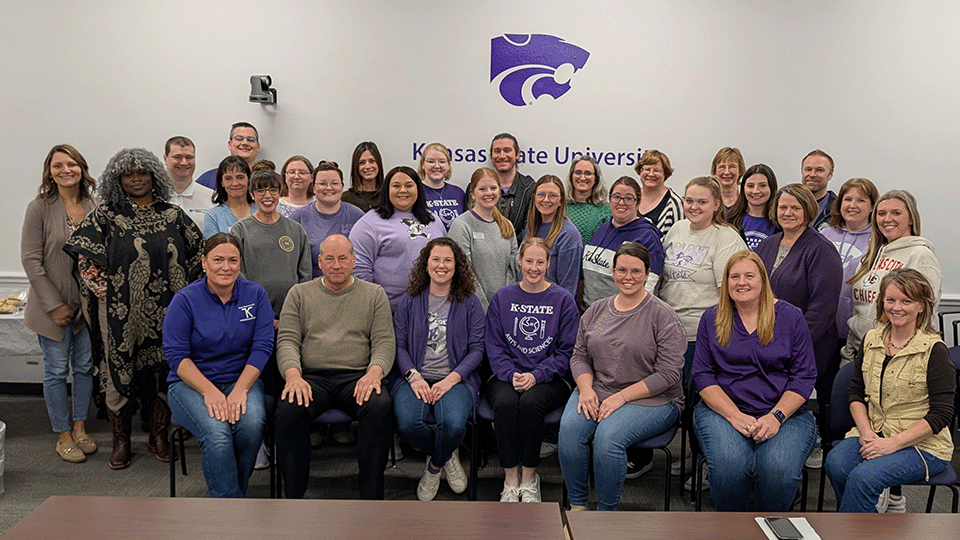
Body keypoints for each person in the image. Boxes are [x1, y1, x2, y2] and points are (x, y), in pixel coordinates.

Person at [64, 148, 203, 470]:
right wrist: (111, 296)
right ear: (118, 179)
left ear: (155, 175)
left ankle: (158, 435)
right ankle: (121, 441)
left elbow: (199, 256)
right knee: (118, 373)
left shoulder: (173, 215)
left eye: (143, 172)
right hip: (118, 313)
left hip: (169, 312)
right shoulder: (105, 216)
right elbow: (86, 261)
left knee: (165, 371)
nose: (136, 178)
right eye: (128, 173)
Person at [559, 243, 685, 511]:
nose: (628, 277)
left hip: (654, 400)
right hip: (599, 390)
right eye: (622, 270)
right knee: (569, 432)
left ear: (648, 273)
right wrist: (585, 388)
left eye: (636, 271)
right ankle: (578, 507)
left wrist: (621, 398)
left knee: (608, 438)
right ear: (613, 272)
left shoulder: (663, 316)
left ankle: (606, 514)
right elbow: (579, 356)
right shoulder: (596, 310)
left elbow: (669, 374)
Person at [692, 250, 818, 511]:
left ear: (763, 280)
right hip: (723, 412)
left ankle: (770, 529)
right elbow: (703, 375)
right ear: (726, 283)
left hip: (785, 414)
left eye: (750, 275)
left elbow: (804, 376)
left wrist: (776, 417)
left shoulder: (791, 317)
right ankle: (731, 531)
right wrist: (734, 416)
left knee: (778, 471)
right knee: (730, 468)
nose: (742, 282)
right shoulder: (711, 318)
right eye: (734, 276)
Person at [274, 234, 395, 499]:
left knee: (379, 407)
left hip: (358, 376)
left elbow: (384, 342)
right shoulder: (299, 294)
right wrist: (293, 375)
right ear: (320, 262)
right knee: (288, 409)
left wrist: (375, 372)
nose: (336, 265)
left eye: (343, 258)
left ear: (354, 261)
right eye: (329, 258)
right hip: (311, 377)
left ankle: (372, 498)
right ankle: (293, 498)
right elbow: (287, 341)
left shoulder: (374, 294)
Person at [824, 269, 954, 513]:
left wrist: (892, 444)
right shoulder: (871, 339)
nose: (897, 307)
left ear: (922, 307)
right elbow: (855, 393)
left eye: (907, 301)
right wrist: (865, 433)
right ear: (881, 302)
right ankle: (869, 524)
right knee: (837, 464)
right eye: (890, 299)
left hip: (923, 446)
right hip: (874, 432)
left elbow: (941, 415)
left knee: (864, 478)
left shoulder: (934, 350)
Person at [163, 233, 273, 497]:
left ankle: (235, 493)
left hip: (241, 379)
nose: (226, 267)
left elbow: (262, 347)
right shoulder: (185, 299)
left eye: (233, 260)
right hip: (190, 384)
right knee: (218, 434)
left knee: (250, 427)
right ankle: (230, 506)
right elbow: (177, 357)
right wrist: (209, 392)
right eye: (218, 260)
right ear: (204, 261)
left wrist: (240, 389)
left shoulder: (255, 294)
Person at [755, 183, 843, 467]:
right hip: (763, 339)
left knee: (789, 401)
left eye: (795, 207)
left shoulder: (822, 250)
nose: (788, 212)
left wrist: (789, 344)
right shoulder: (768, 245)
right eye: (783, 207)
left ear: (809, 210)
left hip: (806, 344)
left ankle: (793, 452)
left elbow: (823, 310)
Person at [21, 144, 99, 463]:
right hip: (50, 309)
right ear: (49, 172)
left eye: (71, 164)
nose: (65, 170)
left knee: (83, 368)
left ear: (82, 168)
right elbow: (31, 259)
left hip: (86, 308)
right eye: (58, 165)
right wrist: (54, 305)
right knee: (55, 370)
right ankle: (62, 434)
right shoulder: (39, 207)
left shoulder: (95, 205)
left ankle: (80, 427)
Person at [485, 238, 579, 503]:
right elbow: (493, 345)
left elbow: (566, 352)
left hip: (551, 377)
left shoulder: (563, 299)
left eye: (540, 262)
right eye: (529, 261)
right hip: (508, 374)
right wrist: (509, 372)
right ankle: (510, 479)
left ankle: (528, 479)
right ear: (519, 261)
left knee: (530, 404)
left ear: (548, 264)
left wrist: (537, 375)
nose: (534, 268)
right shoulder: (503, 297)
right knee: (504, 404)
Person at [391, 238, 484, 501]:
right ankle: (445, 453)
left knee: (454, 426)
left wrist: (450, 380)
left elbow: (478, 349)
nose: (441, 265)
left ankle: (433, 468)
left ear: (457, 266)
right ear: (426, 263)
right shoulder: (410, 300)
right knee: (408, 425)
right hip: (416, 377)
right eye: (435, 259)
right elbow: (398, 344)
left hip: (456, 379)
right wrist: (413, 376)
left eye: (448, 260)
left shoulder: (470, 302)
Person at [658, 176, 747, 375]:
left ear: (717, 204)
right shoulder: (677, 229)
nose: (694, 207)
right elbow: (663, 278)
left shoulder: (726, 238)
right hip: (667, 332)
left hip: (702, 335)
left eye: (702, 202)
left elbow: (730, 294)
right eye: (689, 201)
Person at [844, 190, 942, 364]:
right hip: (860, 352)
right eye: (881, 213)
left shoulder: (920, 255)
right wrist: (849, 352)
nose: (887, 219)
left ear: (911, 218)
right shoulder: (871, 256)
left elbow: (924, 314)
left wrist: (898, 354)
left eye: (896, 213)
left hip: (895, 357)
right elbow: (860, 310)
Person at [349, 165, 446, 310]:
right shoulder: (368, 223)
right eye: (396, 186)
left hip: (431, 308)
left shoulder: (434, 220)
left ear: (418, 189)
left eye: (409, 185)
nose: (403, 190)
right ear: (386, 190)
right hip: (387, 311)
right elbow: (359, 269)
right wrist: (374, 306)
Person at [820, 178, 878, 367]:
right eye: (847, 199)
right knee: (825, 387)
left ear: (872, 207)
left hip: (858, 334)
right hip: (824, 330)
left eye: (861, 200)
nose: (853, 205)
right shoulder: (825, 234)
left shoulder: (878, 240)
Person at [582, 175, 664, 307]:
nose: (621, 202)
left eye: (628, 198)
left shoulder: (647, 237)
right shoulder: (602, 229)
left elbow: (649, 286)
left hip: (624, 317)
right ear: (609, 200)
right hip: (591, 312)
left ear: (638, 203)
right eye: (616, 197)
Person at [447, 167, 517, 311]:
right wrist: (484, 308)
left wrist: (503, 301)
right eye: (482, 189)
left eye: (493, 188)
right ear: (472, 194)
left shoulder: (506, 225)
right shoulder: (461, 225)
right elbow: (464, 272)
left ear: (499, 190)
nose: (489, 193)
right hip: (472, 309)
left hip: (502, 308)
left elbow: (513, 266)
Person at [290, 160, 364, 278]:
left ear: (342, 187)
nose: (329, 188)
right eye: (323, 183)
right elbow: (291, 262)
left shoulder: (357, 216)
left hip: (349, 285)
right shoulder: (298, 218)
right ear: (313, 188)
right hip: (311, 285)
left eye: (334, 183)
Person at [522, 175, 584, 298]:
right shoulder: (531, 228)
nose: (546, 200)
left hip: (552, 309)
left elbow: (568, 290)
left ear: (561, 201)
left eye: (553, 195)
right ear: (534, 198)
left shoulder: (568, 236)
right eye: (541, 194)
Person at [486, 133, 535, 240]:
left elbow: (530, 228)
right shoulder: (477, 187)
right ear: (491, 155)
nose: (502, 156)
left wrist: (510, 248)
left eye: (507, 150)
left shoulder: (529, 188)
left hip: (518, 253)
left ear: (517, 154)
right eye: (497, 151)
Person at [725, 163, 779, 250]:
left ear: (771, 188)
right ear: (743, 189)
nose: (755, 191)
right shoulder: (728, 221)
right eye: (750, 186)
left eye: (762, 185)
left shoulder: (781, 223)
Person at [164, 136, 214, 230]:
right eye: (178, 157)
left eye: (189, 157)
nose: (184, 162)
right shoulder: (152, 196)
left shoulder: (212, 198)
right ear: (165, 159)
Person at [203, 156, 257, 238]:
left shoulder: (262, 210)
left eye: (240, 177)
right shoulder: (213, 216)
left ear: (249, 179)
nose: (235, 183)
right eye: (228, 178)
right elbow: (213, 249)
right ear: (222, 182)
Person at [196, 122, 261, 189]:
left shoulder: (268, 178)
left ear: (258, 147)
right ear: (229, 144)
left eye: (250, 139)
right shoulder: (208, 179)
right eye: (239, 138)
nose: (245, 143)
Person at [635, 149, 684, 237]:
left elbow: (680, 237)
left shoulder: (675, 203)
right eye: (647, 169)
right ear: (640, 171)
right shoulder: (631, 197)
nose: (651, 174)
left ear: (665, 174)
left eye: (656, 170)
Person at [565, 155, 610, 246]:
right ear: (571, 177)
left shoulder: (606, 210)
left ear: (596, 179)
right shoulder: (560, 206)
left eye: (588, 173)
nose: (582, 178)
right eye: (578, 172)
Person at [418, 143, 464, 230]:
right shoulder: (415, 192)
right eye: (431, 161)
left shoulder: (458, 193)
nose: (437, 166)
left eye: (442, 161)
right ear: (423, 164)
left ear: (448, 165)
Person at [341, 141, 384, 212]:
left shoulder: (389, 196)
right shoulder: (345, 199)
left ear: (378, 164)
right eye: (362, 162)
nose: (367, 166)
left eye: (372, 161)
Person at [801, 149, 837, 230]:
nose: (812, 174)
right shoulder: (786, 205)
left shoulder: (839, 210)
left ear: (830, 175)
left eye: (819, 170)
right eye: (808, 169)